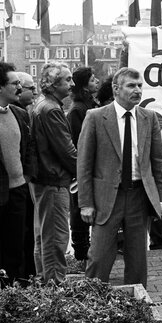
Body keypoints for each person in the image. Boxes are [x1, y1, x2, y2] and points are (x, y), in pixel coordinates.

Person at [78, 68, 162, 286]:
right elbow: (84, 164)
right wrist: (86, 203)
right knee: (99, 255)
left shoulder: (149, 118)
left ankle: (138, 304)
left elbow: (158, 161)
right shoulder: (96, 117)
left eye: (139, 86)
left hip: (139, 195)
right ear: (116, 89)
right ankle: (92, 303)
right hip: (106, 198)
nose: (137, 90)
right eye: (131, 85)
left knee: (138, 257)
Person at [0, 62, 33, 284]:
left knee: (14, 250)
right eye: (15, 83)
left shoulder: (21, 115)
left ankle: (10, 296)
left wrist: (26, 177)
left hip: (17, 192)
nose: (20, 88)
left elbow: (29, 150)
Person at [31, 62, 77, 282]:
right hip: (54, 181)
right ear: (53, 83)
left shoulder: (43, 105)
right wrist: (85, 171)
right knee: (56, 238)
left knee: (44, 237)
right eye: (67, 79)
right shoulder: (51, 109)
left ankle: (45, 283)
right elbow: (66, 150)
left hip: (45, 180)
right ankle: (55, 287)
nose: (72, 84)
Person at [66, 67, 98, 267]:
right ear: (85, 85)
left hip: (91, 168)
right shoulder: (78, 110)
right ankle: (81, 254)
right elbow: (80, 142)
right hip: (82, 170)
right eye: (93, 79)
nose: (97, 81)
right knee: (79, 210)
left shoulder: (89, 105)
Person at [13, 72, 37, 279]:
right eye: (30, 88)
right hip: (16, 184)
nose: (34, 91)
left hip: (25, 181)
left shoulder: (24, 113)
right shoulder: (18, 114)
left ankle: (28, 273)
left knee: (27, 229)